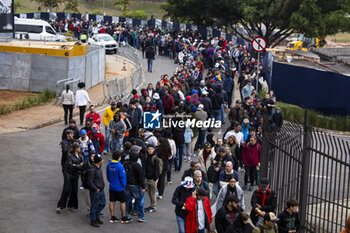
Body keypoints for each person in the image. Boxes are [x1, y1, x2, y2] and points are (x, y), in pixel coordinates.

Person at [57, 142, 84, 213]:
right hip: (68, 174)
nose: (80, 149)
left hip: (75, 175)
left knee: (74, 190)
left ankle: (72, 205)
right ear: (76, 149)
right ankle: (60, 205)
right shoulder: (70, 156)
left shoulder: (81, 156)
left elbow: (82, 165)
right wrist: (78, 165)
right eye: (79, 148)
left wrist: (76, 165)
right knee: (66, 189)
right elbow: (70, 166)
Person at [106, 151, 131, 224]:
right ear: (119, 157)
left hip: (112, 186)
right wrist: (124, 185)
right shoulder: (120, 166)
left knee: (112, 201)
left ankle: (112, 217)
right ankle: (124, 218)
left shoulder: (109, 165)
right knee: (123, 202)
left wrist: (111, 182)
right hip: (119, 187)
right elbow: (123, 178)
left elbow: (107, 176)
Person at [124, 151, 146, 222]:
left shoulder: (125, 164)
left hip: (127, 185)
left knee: (127, 200)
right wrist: (143, 187)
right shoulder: (137, 166)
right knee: (140, 200)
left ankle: (125, 214)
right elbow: (141, 177)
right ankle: (141, 216)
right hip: (136, 185)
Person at [87, 154, 106, 227]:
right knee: (94, 206)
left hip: (101, 189)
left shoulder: (99, 167)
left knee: (102, 203)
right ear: (99, 161)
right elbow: (90, 182)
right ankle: (93, 220)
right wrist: (95, 189)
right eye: (101, 160)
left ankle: (96, 216)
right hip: (96, 191)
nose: (103, 160)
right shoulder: (92, 169)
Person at [145, 145, 160, 213]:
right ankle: (151, 205)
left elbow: (157, 169)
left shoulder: (155, 159)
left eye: (151, 149)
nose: (150, 150)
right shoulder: (147, 157)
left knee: (153, 193)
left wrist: (155, 178)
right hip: (148, 178)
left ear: (154, 150)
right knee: (150, 193)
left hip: (152, 179)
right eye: (149, 149)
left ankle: (153, 206)